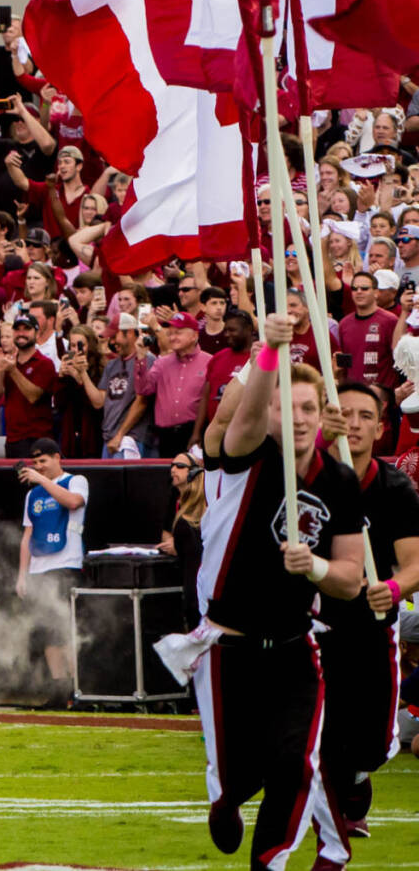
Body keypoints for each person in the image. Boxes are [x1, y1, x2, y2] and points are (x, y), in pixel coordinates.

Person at [177, 312, 363, 870]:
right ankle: (228, 795)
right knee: (238, 772)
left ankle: (272, 860)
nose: (300, 418)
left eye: (310, 407)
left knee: (294, 762)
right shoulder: (245, 457)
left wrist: (316, 571)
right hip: (229, 643)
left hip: (293, 644)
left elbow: (350, 577)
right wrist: (268, 355)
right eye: (289, 406)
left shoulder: (338, 479)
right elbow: (240, 422)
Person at [316, 380, 419, 842]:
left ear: (380, 429)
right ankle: (332, 806)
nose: (353, 425)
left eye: (364, 417)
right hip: (317, 620)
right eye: (345, 414)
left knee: (374, 737)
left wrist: (395, 587)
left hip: (374, 622)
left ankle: (357, 777)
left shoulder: (394, 486)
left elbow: (416, 561)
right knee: (322, 722)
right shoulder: (308, 477)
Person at [13, 437, 87, 698]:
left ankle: (77, 688)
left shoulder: (76, 480)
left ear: (58, 458)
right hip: (39, 567)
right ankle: (58, 687)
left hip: (65, 563)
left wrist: (42, 480)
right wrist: (22, 576)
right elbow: (27, 537)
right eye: (35, 463)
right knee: (46, 632)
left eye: (43, 461)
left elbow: (73, 502)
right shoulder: (32, 494)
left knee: (65, 629)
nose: (39, 467)